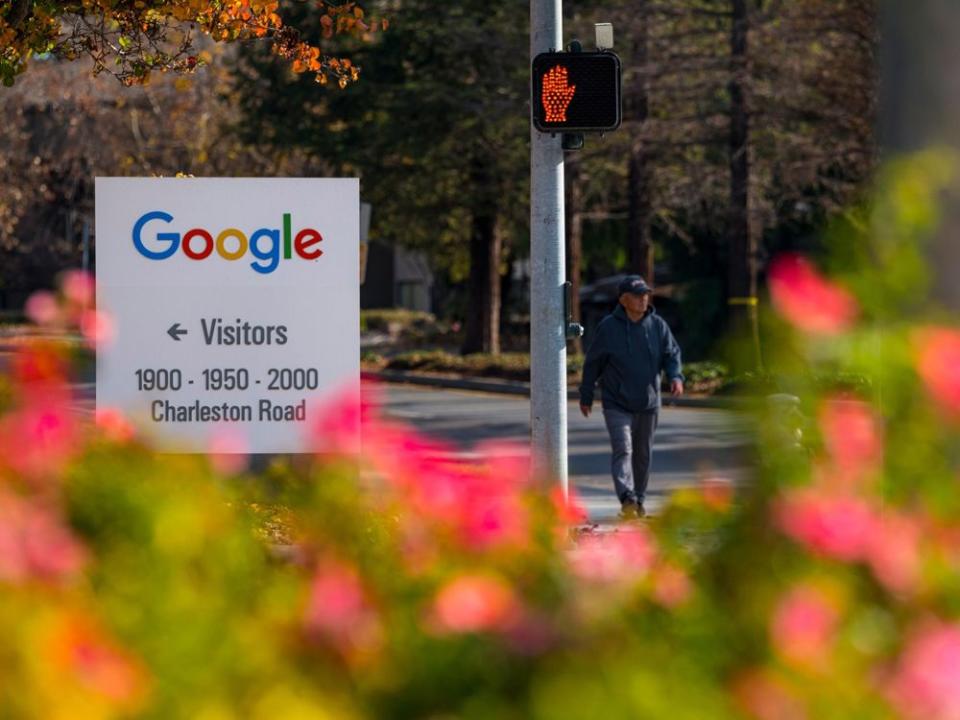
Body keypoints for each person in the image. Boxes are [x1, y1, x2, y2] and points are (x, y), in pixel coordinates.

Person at [578, 275, 684, 519]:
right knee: (623, 449)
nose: (643, 299)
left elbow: (671, 353)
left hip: (649, 402)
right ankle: (627, 498)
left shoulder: (657, 326)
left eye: (645, 294)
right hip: (616, 402)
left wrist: (675, 376)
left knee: (642, 454)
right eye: (637, 295)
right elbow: (593, 363)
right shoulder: (608, 328)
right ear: (623, 300)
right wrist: (586, 394)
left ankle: (639, 498)